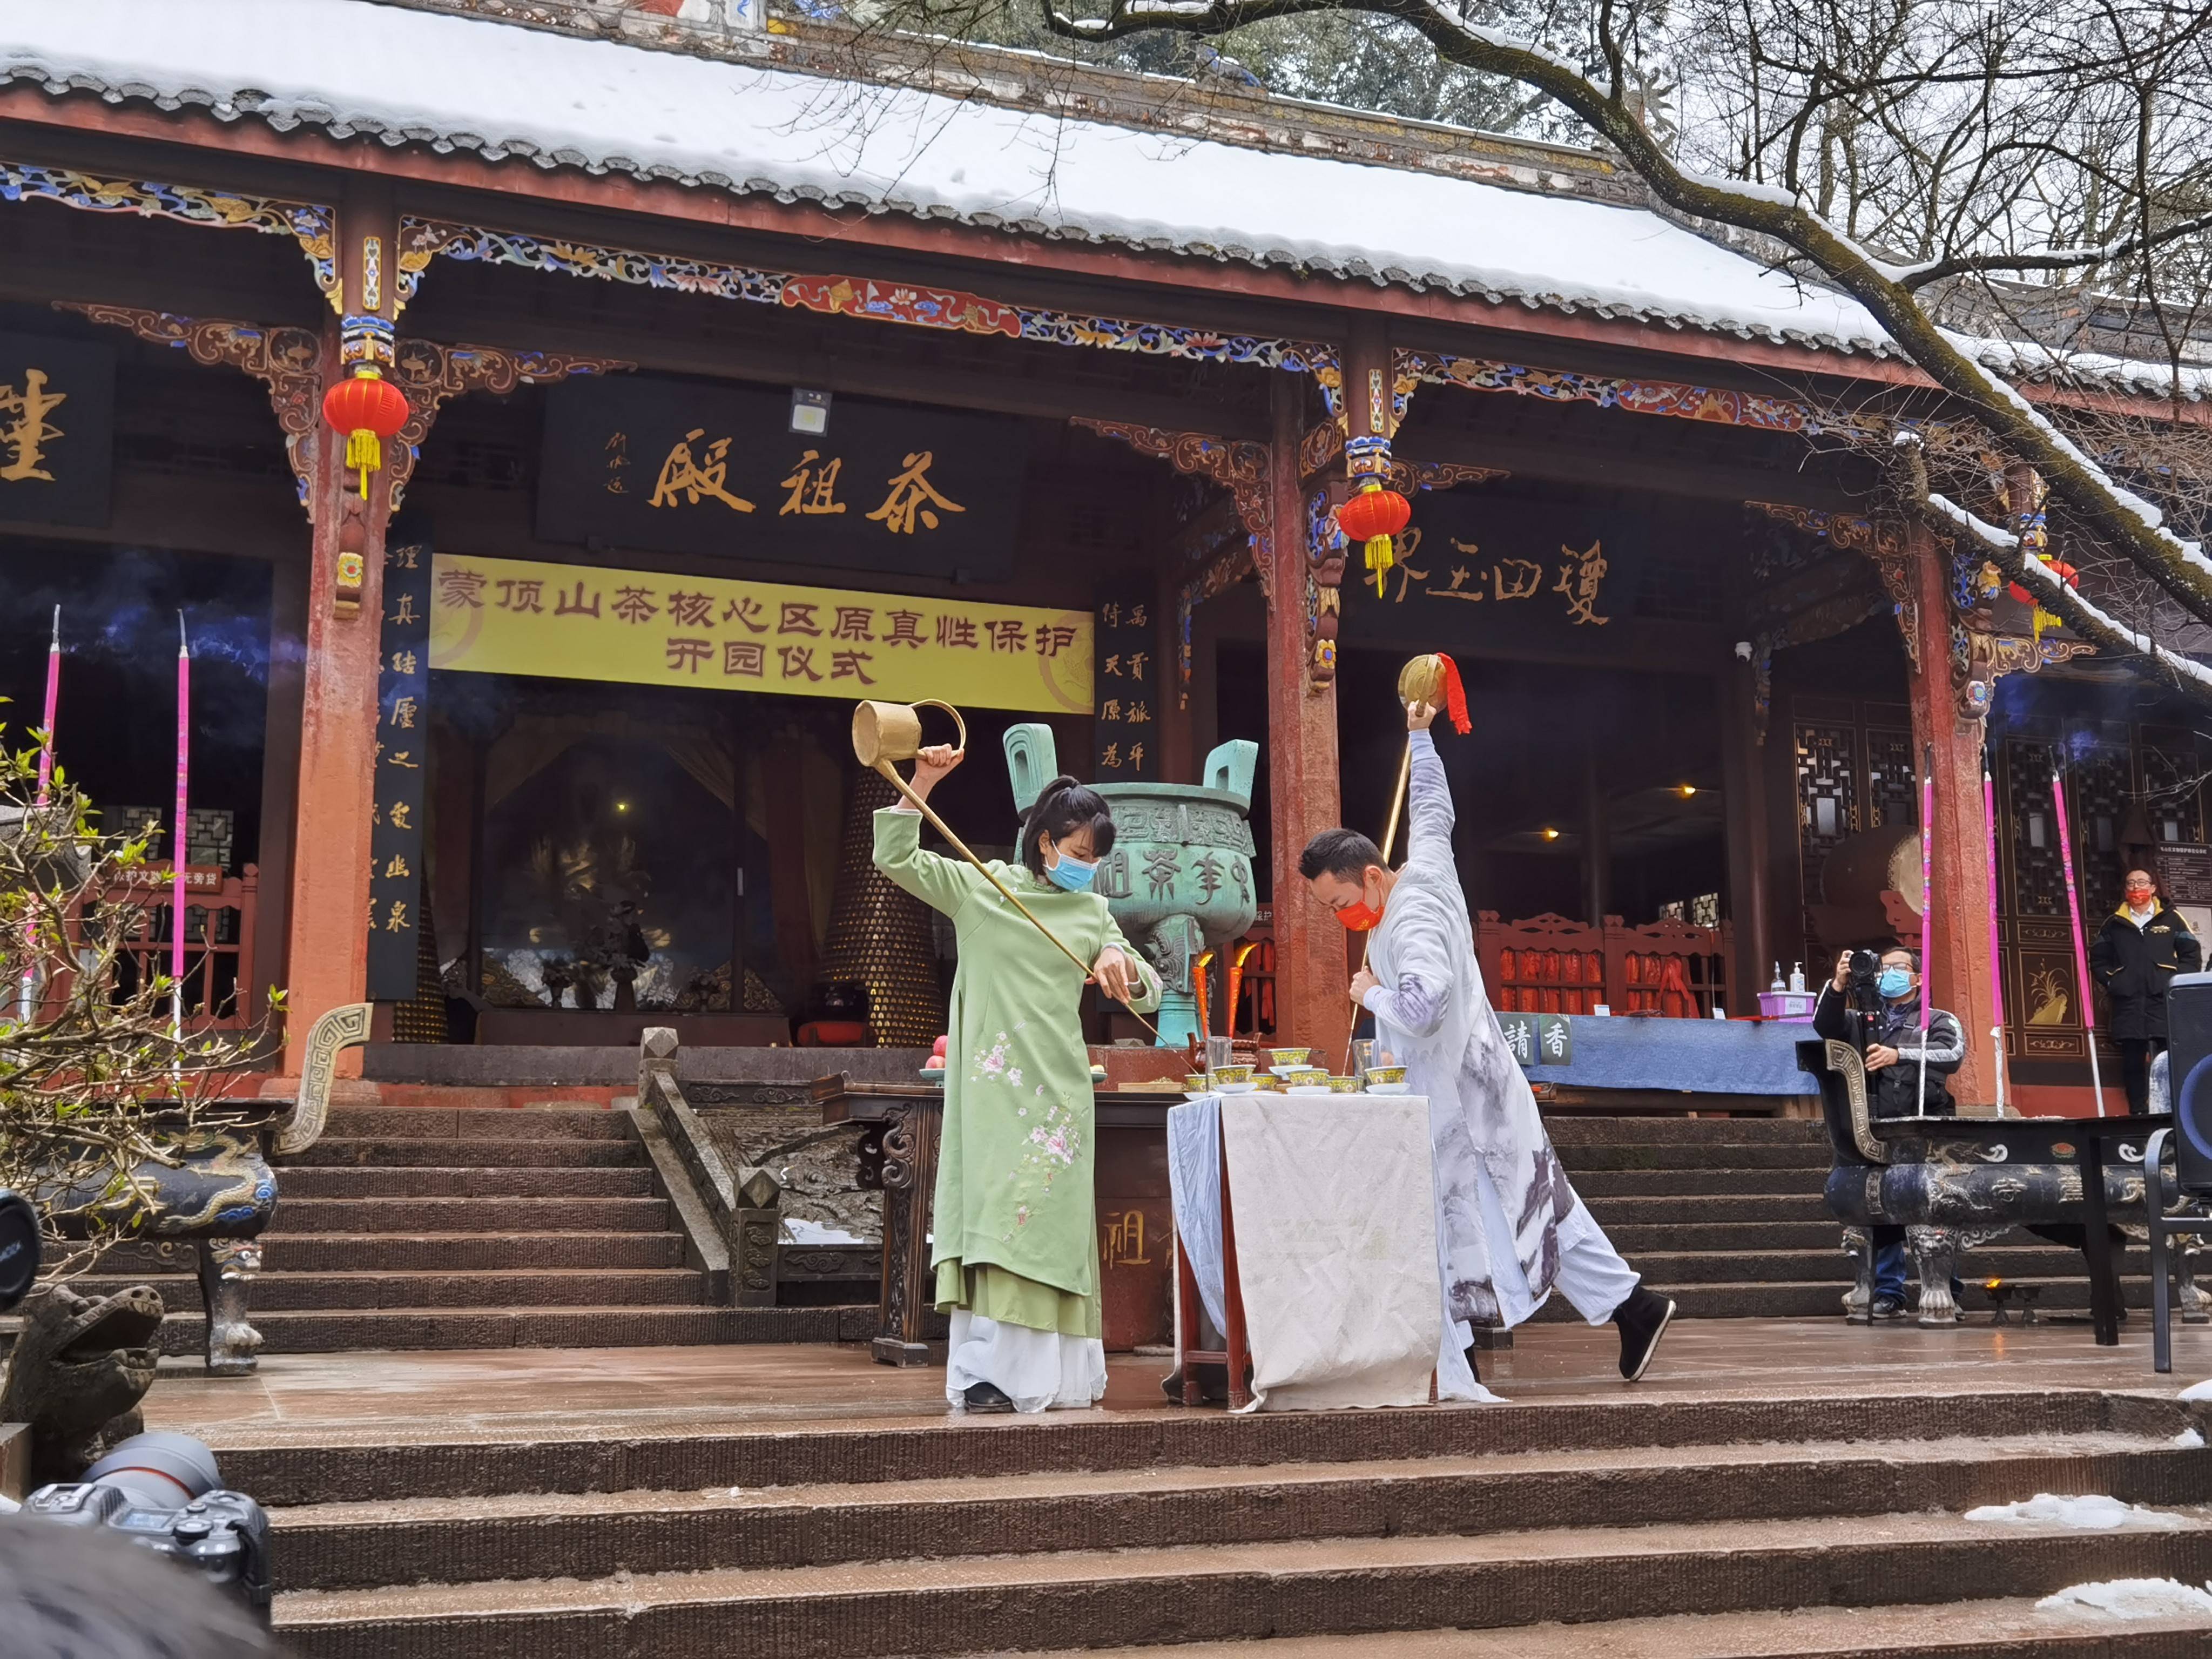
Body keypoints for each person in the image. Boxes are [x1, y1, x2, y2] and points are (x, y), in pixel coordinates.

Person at [1300, 697, 1676, 1386]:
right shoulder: (1429, 868)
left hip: (1459, 1101)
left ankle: (1493, 1341)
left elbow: (1423, 1004)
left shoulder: (1409, 918)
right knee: (1530, 1209)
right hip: (1473, 1085)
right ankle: (1628, 1308)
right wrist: (1420, 737)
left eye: (1339, 902)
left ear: (1372, 877)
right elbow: (1434, 811)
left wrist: (1369, 994)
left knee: (1484, 1216)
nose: (1340, 915)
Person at [874, 747, 1161, 1414]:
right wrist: (922, 781)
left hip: (1059, 1098)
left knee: (1044, 1229)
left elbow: (1146, 994)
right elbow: (896, 858)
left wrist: (1119, 957)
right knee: (997, 1221)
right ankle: (987, 1373)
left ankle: (1049, 1377)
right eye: (1079, 852)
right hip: (992, 1095)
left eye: (1096, 859)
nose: (1087, 868)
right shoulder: (982, 886)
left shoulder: (1091, 913)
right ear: (1045, 843)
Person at [1811, 946, 1964, 1319]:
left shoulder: (1937, 1019)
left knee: (1934, 1209)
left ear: (1918, 977)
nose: (1888, 973)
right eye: (1883, 967)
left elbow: (1954, 1054)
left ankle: (1946, 1289)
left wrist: (1901, 1054)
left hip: (1923, 1126)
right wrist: (1838, 984)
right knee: (1874, 1206)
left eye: (1898, 967)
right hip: (1872, 1126)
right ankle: (1887, 1292)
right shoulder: (1861, 1019)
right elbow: (1823, 1026)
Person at [2089, 867, 2202, 1114]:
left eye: (2142, 883)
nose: (2136, 888)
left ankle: (2169, 1110)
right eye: (2131, 883)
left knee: (2166, 1057)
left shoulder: (2172, 919)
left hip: (2162, 999)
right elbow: (2098, 960)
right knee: (2132, 1060)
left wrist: (2172, 980)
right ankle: (2138, 1111)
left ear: (2153, 888)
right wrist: (2114, 981)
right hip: (2128, 1000)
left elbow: (2191, 954)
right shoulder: (2114, 924)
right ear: (2125, 890)